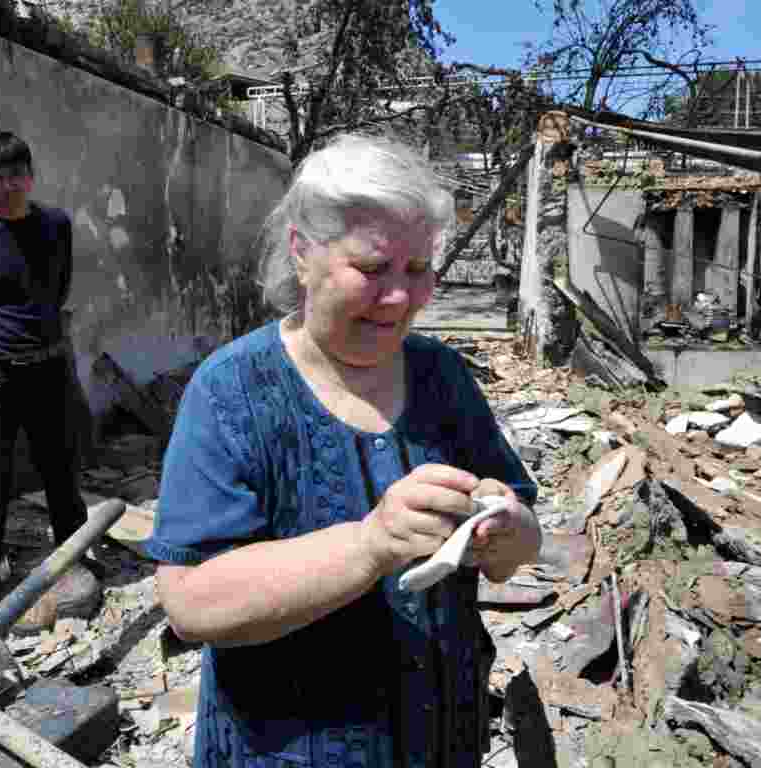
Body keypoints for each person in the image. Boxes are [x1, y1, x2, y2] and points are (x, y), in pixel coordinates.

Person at [148, 134, 542, 768]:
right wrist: (369, 545)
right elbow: (192, 601)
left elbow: (517, 548)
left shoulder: (442, 377)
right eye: (373, 269)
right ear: (303, 253)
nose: (400, 296)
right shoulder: (232, 392)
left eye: (418, 270)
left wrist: (508, 529)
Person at [0, 131, 99, 618]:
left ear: (30, 175)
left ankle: (75, 561)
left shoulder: (56, 225)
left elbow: (58, 288)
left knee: (62, 475)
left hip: (49, 368)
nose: (8, 185)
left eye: (16, 174)